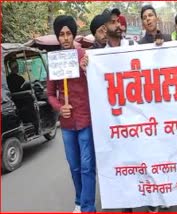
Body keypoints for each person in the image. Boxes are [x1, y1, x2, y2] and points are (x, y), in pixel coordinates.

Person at [46, 15, 96, 213]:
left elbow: (98, 81)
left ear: (73, 35)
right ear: (58, 37)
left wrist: (87, 70)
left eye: (68, 34)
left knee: (87, 166)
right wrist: (59, 106)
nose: (65, 38)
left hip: (85, 120)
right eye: (61, 34)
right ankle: (79, 199)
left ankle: (88, 207)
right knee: (74, 167)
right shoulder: (55, 62)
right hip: (67, 124)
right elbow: (50, 94)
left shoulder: (84, 55)